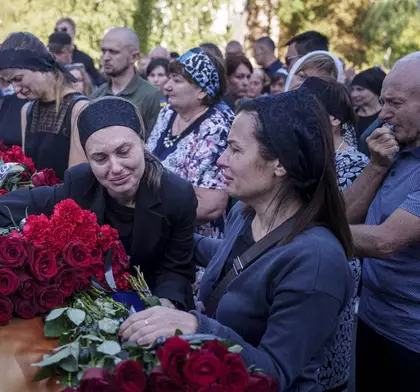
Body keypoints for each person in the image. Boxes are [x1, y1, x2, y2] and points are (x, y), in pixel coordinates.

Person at [0, 97, 198, 356]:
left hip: (150, 306)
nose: (115, 168)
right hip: (90, 310)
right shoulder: (80, 185)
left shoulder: (176, 195)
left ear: (143, 143)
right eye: (100, 158)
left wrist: (163, 310)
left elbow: (175, 268)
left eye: (124, 151)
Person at [121, 88, 354, 392]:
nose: (221, 160)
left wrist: (195, 326)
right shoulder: (245, 214)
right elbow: (237, 261)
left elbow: (275, 373)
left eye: (235, 149)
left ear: (280, 163)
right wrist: (159, 231)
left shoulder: (317, 261)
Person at [343, 52, 420, 392]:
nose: (382, 113)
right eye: (383, 100)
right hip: (372, 319)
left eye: (395, 103)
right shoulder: (392, 140)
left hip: (412, 338)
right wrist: (376, 165)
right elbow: (346, 215)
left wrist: (302, 231)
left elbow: (385, 241)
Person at [146, 48, 232, 309]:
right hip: (158, 239)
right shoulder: (167, 114)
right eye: (168, 77)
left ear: (202, 91)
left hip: (194, 250)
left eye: (177, 80)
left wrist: (149, 211)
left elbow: (212, 202)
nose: (166, 85)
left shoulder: (218, 126)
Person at [299, 76, 368, 391]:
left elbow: (333, 217)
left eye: (306, 108)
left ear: (334, 119)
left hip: (331, 264)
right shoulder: (305, 155)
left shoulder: (356, 164)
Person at [0, 32, 89, 178]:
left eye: (18, 78)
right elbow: (27, 174)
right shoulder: (27, 110)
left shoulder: (79, 108)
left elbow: (77, 183)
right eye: (10, 82)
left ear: (39, 66)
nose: (16, 89)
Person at [93, 27, 165, 133]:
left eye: (114, 52)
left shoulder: (152, 96)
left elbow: (157, 142)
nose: (106, 57)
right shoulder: (97, 95)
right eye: (104, 51)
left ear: (134, 57)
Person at [54, 17, 103, 86]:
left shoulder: (85, 60)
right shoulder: (50, 58)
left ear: (73, 33)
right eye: (56, 30)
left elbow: (95, 85)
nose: (59, 33)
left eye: (63, 30)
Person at [350, 67, 385, 144]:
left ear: (375, 90)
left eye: (360, 89)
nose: (354, 94)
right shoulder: (348, 115)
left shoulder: (386, 117)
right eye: (352, 89)